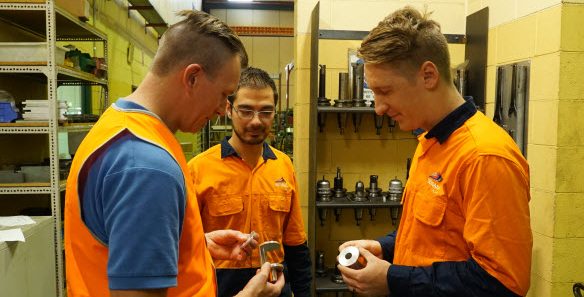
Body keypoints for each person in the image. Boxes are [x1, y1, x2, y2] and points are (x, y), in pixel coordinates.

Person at [64, 11, 284, 297]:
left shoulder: (119, 126)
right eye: (223, 95)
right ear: (192, 77)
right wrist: (250, 294)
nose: (222, 110)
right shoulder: (147, 167)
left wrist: (193, 244)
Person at [337, 7, 532, 297]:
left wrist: (392, 279)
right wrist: (383, 248)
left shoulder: (485, 156)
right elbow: (433, 239)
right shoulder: (430, 142)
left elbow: (502, 283)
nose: (378, 108)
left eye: (386, 91)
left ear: (428, 75)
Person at [188, 67, 311, 297]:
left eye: (266, 112)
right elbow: (185, 246)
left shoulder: (283, 165)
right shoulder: (199, 169)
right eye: (246, 110)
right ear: (228, 108)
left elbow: (296, 246)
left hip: (275, 284)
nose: (256, 121)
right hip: (220, 286)